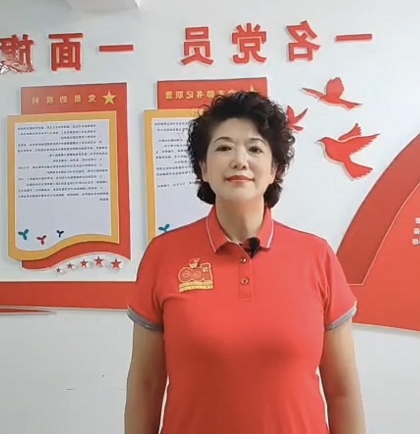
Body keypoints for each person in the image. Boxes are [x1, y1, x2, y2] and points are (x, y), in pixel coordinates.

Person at [124, 91, 366, 434]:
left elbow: (342, 390)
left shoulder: (317, 256)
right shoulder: (164, 255)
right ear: (203, 168)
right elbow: (145, 384)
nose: (239, 160)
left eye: (255, 149)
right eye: (224, 148)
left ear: (275, 169)